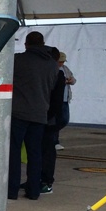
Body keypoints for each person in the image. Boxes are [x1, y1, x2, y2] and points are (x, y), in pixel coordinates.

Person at [8, 31, 58, 200]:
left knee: (14, 152)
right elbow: (51, 88)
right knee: (35, 153)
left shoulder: (17, 60)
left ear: (26, 44)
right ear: (43, 43)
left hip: (18, 113)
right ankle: (34, 191)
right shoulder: (52, 65)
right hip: (40, 114)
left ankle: (12, 190)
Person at [40, 46, 67, 194]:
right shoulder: (54, 73)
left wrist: (49, 116)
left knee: (47, 151)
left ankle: (46, 181)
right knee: (41, 150)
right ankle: (40, 179)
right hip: (46, 117)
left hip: (48, 118)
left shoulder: (57, 74)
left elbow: (56, 100)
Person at [55, 51, 76, 149]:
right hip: (56, 99)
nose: (61, 63)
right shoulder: (52, 69)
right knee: (56, 120)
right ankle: (55, 141)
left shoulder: (65, 69)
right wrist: (64, 81)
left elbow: (73, 79)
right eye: (60, 61)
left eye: (63, 61)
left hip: (65, 99)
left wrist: (71, 80)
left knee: (64, 120)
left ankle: (53, 136)